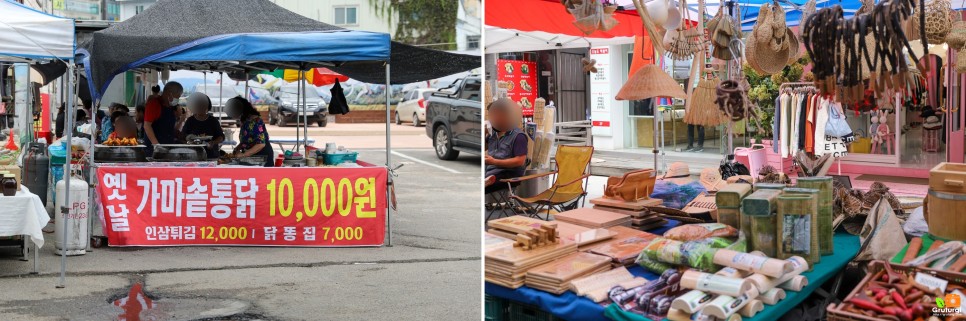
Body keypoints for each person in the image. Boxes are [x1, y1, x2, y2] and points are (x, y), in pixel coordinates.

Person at [484, 98, 528, 194]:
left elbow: (520, 161)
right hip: (489, 171)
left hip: (508, 174)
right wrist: (484, 133)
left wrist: (494, 161)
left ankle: (486, 181)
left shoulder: (518, 136)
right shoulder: (492, 134)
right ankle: (485, 180)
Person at [227, 96, 274, 167]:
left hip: (262, 157)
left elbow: (260, 144)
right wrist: (238, 148)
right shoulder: (245, 121)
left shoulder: (255, 121)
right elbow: (247, 140)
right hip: (251, 156)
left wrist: (243, 155)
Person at [181, 92, 225, 159]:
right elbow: (182, 135)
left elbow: (221, 137)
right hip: (194, 154)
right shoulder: (190, 120)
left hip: (211, 154)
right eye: (198, 105)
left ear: (207, 106)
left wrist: (213, 142)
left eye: (203, 105)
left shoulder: (213, 120)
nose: (200, 107)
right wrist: (189, 141)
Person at [144, 82, 183, 155]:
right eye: (177, 97)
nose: (177, 99)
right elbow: (147, 126)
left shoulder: (171, 107)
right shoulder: (154, 104)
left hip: (168, 147)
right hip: (153, 150)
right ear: (169, 93)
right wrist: (156, 145)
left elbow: (168, 127)